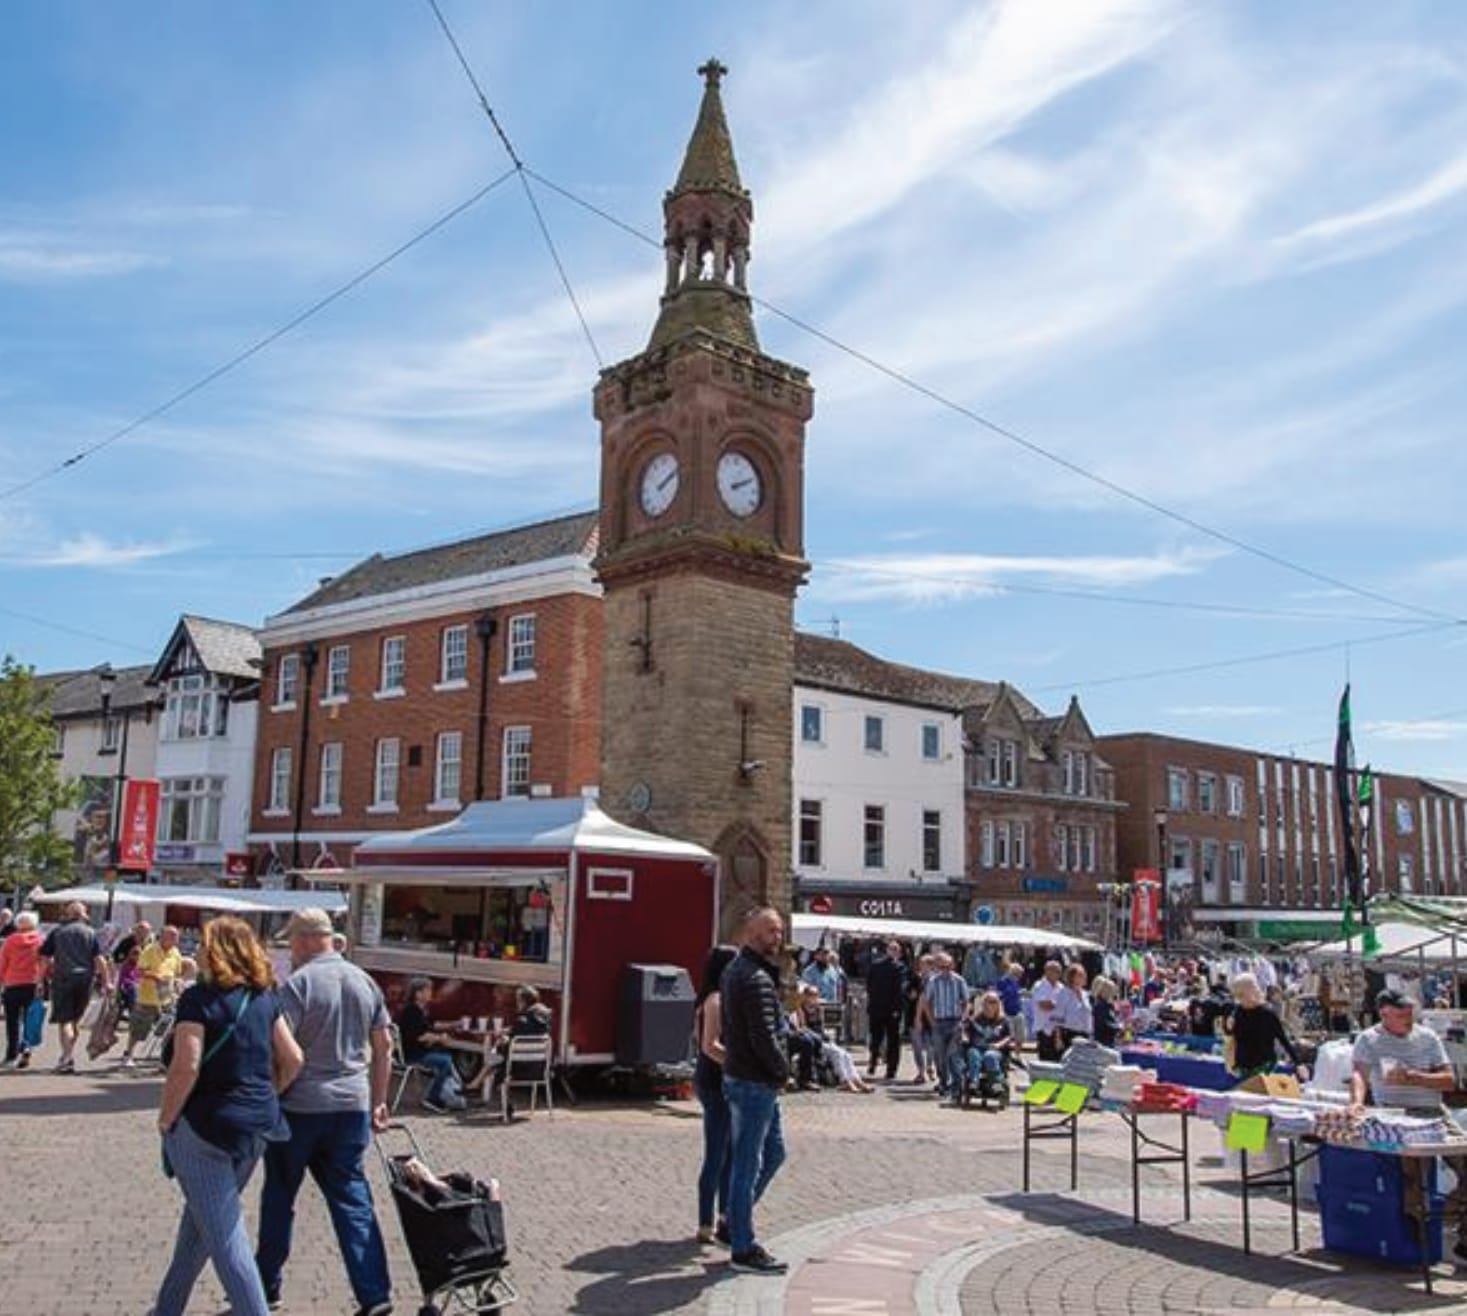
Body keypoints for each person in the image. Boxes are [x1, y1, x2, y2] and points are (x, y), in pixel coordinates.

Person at [152, 917, 303, 1316]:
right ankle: (167, 1308)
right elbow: (293, 1058)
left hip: (205, 1126)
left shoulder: (197, 999)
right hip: (257, 1125)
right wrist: (268, 1094)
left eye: (201, 943)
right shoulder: (265, 997)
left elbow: (187, 1064)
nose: (196, 949)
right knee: (202, 1224)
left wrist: (167, 1118)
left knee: (225, 1236)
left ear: (216, 950)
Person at [255, 908, 394, 1316]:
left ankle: (266, 1286)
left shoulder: (298, 985)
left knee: (280, 1195)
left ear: (304, 939)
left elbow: (283, 1051)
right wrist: (379, 1099)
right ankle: (374, 1293)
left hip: (300, 1106)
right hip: (351, 1105)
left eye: (292, 941)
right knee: (353, 1199)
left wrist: (272, 1094)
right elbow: (384, 1046)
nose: (291, 949)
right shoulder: (363, 980)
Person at [1350, 988, 1467, 1263]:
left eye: (1410, 1014)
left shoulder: (1427, 1037)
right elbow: (1359, 1073)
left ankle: (1452, 1218)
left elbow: (1449, 1080)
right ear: (1384, 1014)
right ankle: (1418, 1240)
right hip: (1395, 1113)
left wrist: (1414, 1077)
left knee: (1463, 1160)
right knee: (1413, 1179)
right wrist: (1356, 1102)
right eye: (1402, 1014)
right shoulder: (1369, 1040)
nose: (1408, 1019)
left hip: (1434, 1111)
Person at [721, 906, 792, 1275]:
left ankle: (733, 1221)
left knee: (774, 1153)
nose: (776, 938)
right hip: (754, 1082)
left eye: (779, 931)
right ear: (750, 934)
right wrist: (782, 1071)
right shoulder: (753, 978)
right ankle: (743, 1247)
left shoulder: (742, 970)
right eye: (769, 931)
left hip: (747, 1078)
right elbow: (763, 1035)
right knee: (747, 1165)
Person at [693, 944, 737, 1246]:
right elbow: (710, 1046)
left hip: (716, 1080)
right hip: (715, 1081)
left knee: (728, 1154)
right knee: (716, 1154)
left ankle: (722, 1216)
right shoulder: (716, 1001)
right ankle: (706, 1221)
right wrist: (739, 1064)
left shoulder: (714, 998)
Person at [39, 900, 109, 1073]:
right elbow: (100, 959)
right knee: (75, 1020)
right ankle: (66, 1055)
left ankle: (67, 1057)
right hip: (85, 979)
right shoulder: (90, 933)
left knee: (65, 1021)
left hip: (63, 978)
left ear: (68, 914)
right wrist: (107, 981)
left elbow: (45, 959)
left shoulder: (58, 932)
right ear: (84, 915)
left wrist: (39, 979)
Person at [395, 977, 465, 1113]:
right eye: (427, 990)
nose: (430, 993)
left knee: (445, 1057)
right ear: (418, 994)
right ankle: (432, 1098)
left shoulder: (420, 1010)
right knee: (445, 1061)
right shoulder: (412, 1012)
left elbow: (432, 1025)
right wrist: (440, 1038)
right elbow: (420, 1036)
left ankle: (451, 1092)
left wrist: (454, 1024)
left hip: (417, 1051)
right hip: (413, 1054)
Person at [788, 984, 872, 1093]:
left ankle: (857, 1081)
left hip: (823, 1039)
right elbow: (802, 1028)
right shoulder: (800, 1010)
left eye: (815, 995)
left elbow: (821, 1027)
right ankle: (846, 1082)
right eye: (810, 995)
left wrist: (826, 1036)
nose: (813, 998)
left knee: (846, 1054)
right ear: (804, 996)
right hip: (815, 1042)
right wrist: (818, 1036)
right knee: (837, 1054)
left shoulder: (818, 1009)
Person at [121, 924, 183, 1068]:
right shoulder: (150, 950)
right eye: (172, 936)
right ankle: (128, 1055)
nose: (175, 939)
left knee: (167, 1030)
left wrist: (178, 983)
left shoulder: (175, 952)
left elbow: (178, 973)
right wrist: (155, 976)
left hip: (167, 998)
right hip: (147, 996)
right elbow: (138, 972)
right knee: (138, 1028)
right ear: (163, 936)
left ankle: (164, 1058)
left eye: (176, 937)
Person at [1224, 972, 1305, 1080]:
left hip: (1264, 1068)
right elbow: (1232, 1036)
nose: (1239, 998)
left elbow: (1283, 1038)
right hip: (1242, 1069)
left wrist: (1298, 1064)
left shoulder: (1267, 1014)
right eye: (1238, 995)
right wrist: (1228, 1028)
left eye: (1241, 994)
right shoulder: (1236, 1012)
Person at [949, 991, 1015, 1103]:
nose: (991, 1005)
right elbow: (965, 1031)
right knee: (972, 1053)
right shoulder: (975, 1019)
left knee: (990, 1056)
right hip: (978, 1049)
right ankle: (974, 1083)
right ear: (983, 1004)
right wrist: (965, 1037)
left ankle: (996, 1085)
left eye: (994, 1002)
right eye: (989, 1002)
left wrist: (999, 1044)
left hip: (995, 1050)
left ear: (998, 1005)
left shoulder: (1003, 1021)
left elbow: (1010, 1037)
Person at [0, 910, 44, 1069]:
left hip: (12, 983)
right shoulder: (39, 940)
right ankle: (26, 1048)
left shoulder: (10, 940)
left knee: (12, 1021)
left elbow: (2, 963)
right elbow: (46, 962)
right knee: (29, 1019)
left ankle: (11, 1055)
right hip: (32, 983)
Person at [864, 939, 907, 1081]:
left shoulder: (875, 965)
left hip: (876, 1007)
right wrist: (898, 1008)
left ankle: (873, 1063)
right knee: (893, 1041)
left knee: (876, 1038)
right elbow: (900, 990)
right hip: (891, 1009)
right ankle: (890, 1070)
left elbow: (868, 985)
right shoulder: (899, 967)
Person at [1051, 963, 1093, 1056]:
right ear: (1072, 977)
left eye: (1084, 975)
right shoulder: (1064, 993)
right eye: (1080, 975)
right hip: (1069, 1034)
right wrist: (1058, 1038)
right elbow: (1057, 1016)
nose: (1084, 977)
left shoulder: (1085, 994)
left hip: (1085, 1034)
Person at [1031, 960, 1065, 1062]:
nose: (1058, 973)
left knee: (1058, 1058)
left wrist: (1057, 1005)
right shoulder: (1039, 985)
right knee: (1046, 1058)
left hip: (1058, 1027)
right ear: (1046, 971)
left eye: (1059, 971)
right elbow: (1044, 1005)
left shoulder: (1061, 986)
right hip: (1044, 1027)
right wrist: (1059, 1005)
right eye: (1055, 970)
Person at [997, 962, 1026, 1048]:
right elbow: (999, 995)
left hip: (1017, 1011)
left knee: (1020, 1036)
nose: (1020, 975)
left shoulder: (1016, 981)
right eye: (1019, 973)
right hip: (1007, 1012)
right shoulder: (1003, 981)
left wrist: (1020, 993)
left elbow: (1017, 993)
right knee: (1009, 1036)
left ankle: (1017, 1055)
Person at [1090, 975, 1120, 1048]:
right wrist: (1119, 1028)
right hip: (1102, 1042)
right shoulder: (1100, 1005)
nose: (1113, 993)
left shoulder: (1108, 1005)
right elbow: (1104, 1024)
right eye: (1111, 990)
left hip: (1108, 1040)